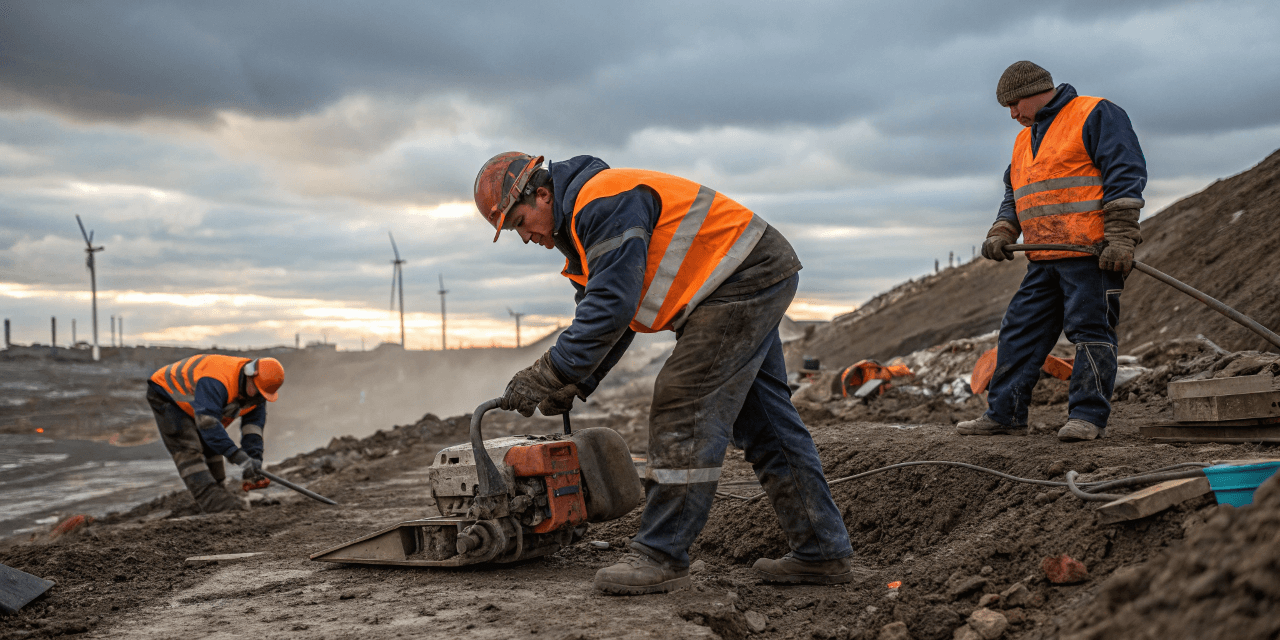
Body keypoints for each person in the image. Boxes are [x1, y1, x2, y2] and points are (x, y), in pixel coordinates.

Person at [473, 153, 855, 595]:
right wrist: (574, 381)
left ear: (541, 194)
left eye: (520, 221)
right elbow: (617, 318)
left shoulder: (601, 202)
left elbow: (609, 309)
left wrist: (549, 371)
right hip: (749, 273)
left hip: (738, 278)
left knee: (683, 403)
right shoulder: (584, 229)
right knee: (766, 424)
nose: (525, 237)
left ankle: (661, 554)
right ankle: (821, 550)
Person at [958, 61, 1146, 442]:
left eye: (1015, 105)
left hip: (1090, 254)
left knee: (1090, 332)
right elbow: (1016, 193)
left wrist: (1122, 238)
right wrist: (1002, 229)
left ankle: (1087, 417)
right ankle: (1005, 414)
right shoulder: (1024, 139)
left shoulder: (1095, 114)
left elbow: (1124, 173)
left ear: (1036, 90)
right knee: (1019, 331)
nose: (1012, 115)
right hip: (1043, 258)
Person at [147, 355, 285, 512]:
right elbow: (208, 424)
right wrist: (236, 455)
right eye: (258, 391)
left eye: (262, 394)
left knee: (211, 445)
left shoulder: (259, 392)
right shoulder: (217, 381)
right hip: (168, 394)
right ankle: (213, 502)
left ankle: (219, 491)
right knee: (188, 449)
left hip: (198, 403)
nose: (258, 397)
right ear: (249, 375)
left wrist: (253, 459)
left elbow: (253, 429)